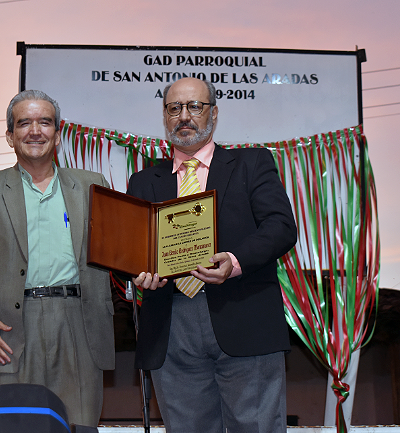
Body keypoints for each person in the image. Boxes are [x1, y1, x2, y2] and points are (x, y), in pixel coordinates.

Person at [127, 77, 297, 433]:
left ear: (214, 114)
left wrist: (234, 262)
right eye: (174, 108)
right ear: (165, 116)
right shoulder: (144, 181)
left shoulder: (251, 164)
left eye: (194, 106)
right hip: (171, 326)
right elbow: (135, 251)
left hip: (245, 318)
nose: (184, 116)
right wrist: (139, 272)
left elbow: (281, 226)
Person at [0, 90, 115, 427]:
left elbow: (118, 253)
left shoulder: (92, 185)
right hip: (12, 330)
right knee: (19, 427)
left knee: (79, 426)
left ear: (58, 132)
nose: (35, 131)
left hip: (80, 327)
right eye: (24, 123)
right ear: (10, 136)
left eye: (45, 122)